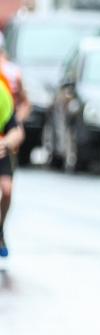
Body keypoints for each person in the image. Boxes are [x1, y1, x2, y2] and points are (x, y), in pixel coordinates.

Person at [0, 34, 27, 259]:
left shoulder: (5, 87)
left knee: (7, 190)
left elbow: (18, 128)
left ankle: (0, 229)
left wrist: (8, 141)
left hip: (2, 148)